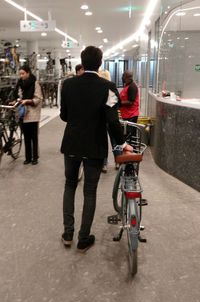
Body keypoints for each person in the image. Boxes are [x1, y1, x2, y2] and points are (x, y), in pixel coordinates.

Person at [60, 46, 133, 252]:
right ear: (100, 63)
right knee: (89, 191)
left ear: (82, 62)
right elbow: (112, 121)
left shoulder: (68, 85)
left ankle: (67, 234)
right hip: (94, 146)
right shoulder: (108, 87)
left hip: (72, 144)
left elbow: (64, 115)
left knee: (69, 186)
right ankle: (83, 238)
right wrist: (122, 143)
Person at [13, 65, 43, 165]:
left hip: (32, 113)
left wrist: (28, 101)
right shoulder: (20, 83)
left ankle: (35, 157)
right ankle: (28, 157)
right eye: (20, 74)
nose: (21, 76)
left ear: (28, 73)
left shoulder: (35, 83)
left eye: (23, 73)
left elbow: (38, 98)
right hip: (23, 113)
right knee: (26, 137)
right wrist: (15, 101)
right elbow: (17, 96)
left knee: (33, 137)